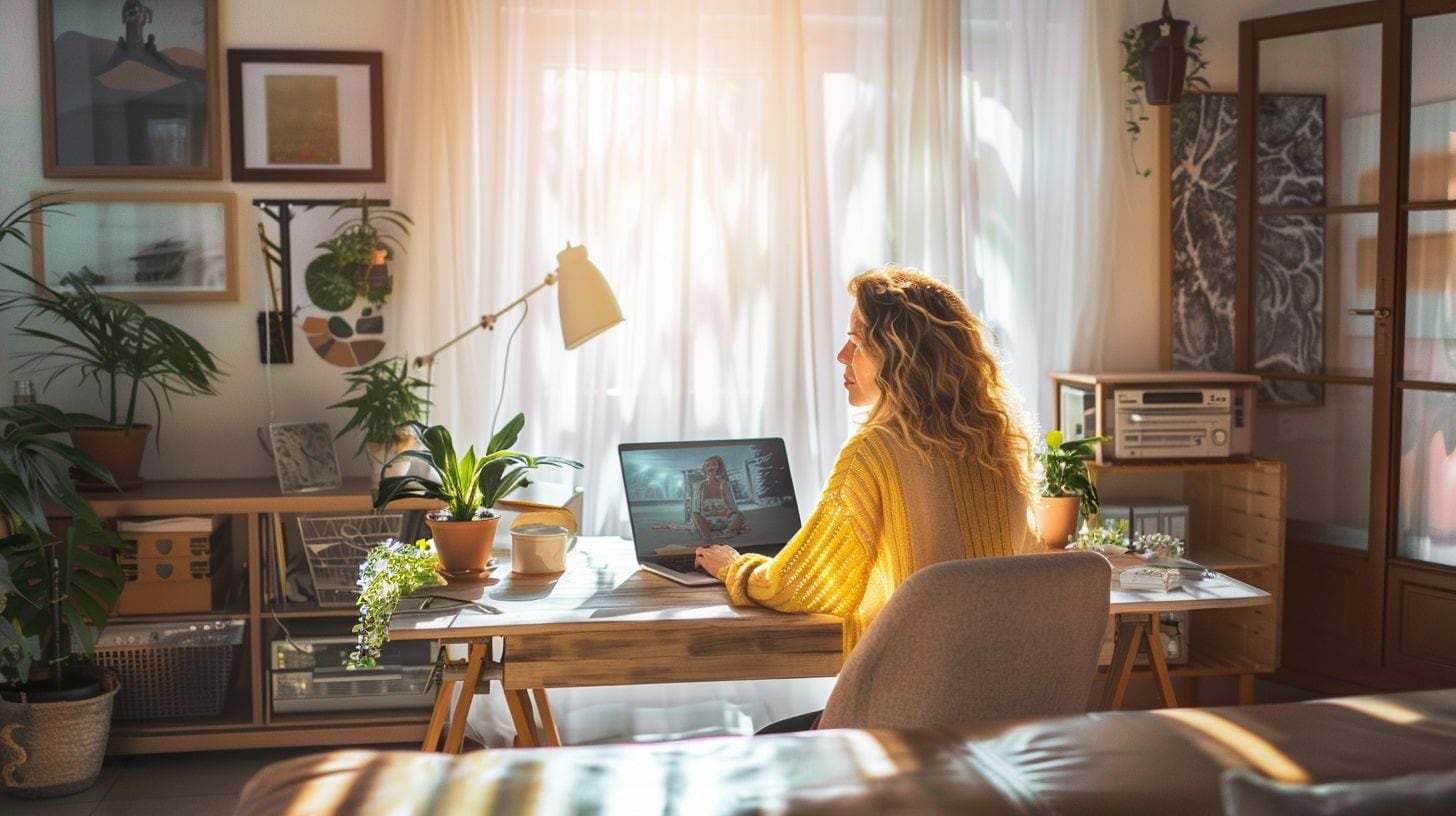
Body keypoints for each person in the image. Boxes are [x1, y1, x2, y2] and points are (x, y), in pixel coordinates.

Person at [695, 266, 1035, 730]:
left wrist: (735, 566)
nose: (841, 355)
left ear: (899, 353)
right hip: (992, 722)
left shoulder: (875, 450)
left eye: (857, 340)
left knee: (766, 744)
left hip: (899, 716)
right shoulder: (1000, 443)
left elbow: (794, 584)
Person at [691, 455, 746, 541]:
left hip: (724, 520)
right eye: (707, 465)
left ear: (719, 467)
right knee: (695, 516)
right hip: (706, 520)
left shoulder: (725, 485)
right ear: (705, 469)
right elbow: (696, 510)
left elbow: (733, 507)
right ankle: (708, 535)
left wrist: (730, 511)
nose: (710, 468)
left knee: (738, 516)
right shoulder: (699, 486)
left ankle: (727, 532)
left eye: (713, 464)